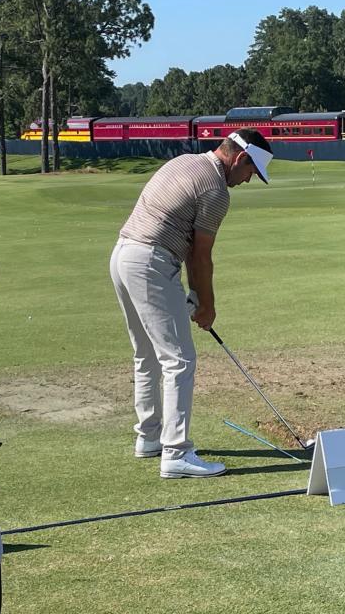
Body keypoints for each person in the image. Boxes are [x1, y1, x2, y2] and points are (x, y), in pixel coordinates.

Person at [110, 129, 274, 478]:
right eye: (250, 173)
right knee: (179, 360)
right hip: (150, 260)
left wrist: (196, 297)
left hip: (123, 255)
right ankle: (176, 453)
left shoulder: (186, 161)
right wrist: (207, 306)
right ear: (240, 159)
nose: (247, 181)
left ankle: (149, 437)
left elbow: (185, 245)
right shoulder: (216, 190)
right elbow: (201, 257)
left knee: (147, 355)